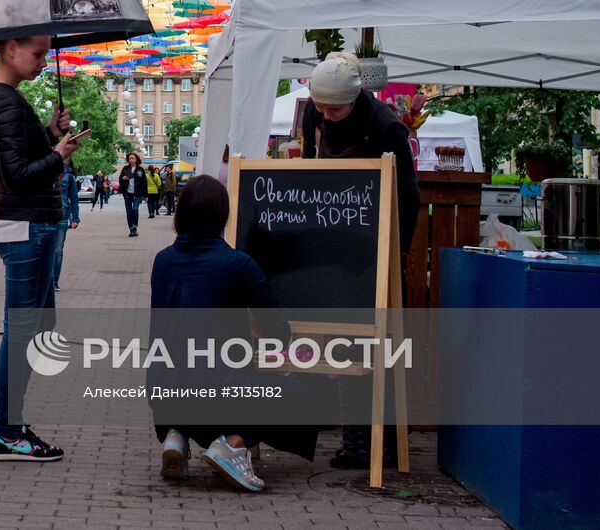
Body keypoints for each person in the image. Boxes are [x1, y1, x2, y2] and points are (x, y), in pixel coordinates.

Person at [149, 175, 317, 491]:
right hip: (217, 394)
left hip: (164, 392)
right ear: (223, 216)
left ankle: (176, 436)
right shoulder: (238, 264)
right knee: (301, 393)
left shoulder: (162, 262)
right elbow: (276, 329)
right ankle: (231, 444)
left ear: (180, 213)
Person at [299, 51, 420, 470]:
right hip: (329, 247)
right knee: (340, 346)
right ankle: (354, 443)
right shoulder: (313, 117)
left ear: (354, 99)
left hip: (373, 249)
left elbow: (408, 197)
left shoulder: (387, 129)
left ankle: (380, 443)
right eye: (321, 108)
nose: (327, 116)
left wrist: (392, 256)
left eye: (335, 109)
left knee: (375, 349)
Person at [0, 35, 85, 462]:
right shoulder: (4, 100)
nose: (42, 62)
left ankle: (4, 421)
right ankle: (8, 430)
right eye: (37, 53)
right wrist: (58, 154)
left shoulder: (2, 97)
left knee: (34, 326)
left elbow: (12, 154)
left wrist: (48, 133)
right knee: (22, 332)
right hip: (26, 224)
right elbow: (17, 174)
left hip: (25, 222)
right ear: (10, 48)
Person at [53, 159, 81, 291]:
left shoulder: (69, 176)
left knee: (58, 250)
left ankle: (54, 280)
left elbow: (74, 198)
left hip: (62, 217)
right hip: (45, 216)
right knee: (44, 250)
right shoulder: (46, 170)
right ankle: (44, 279)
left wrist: (75, 218)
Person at [118, 152, 147, 237]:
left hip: (137, 193)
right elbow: (120, 179)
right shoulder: (125, 168)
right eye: (129, 158)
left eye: (132, 158)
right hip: (127, 193)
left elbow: (144, 182)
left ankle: (135, 225)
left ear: (136, 159)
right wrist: (123, 179)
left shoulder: (140, 169)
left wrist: (145, 195)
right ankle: (131, 229)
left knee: (135, 209)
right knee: (129, 212)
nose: (131, 160)